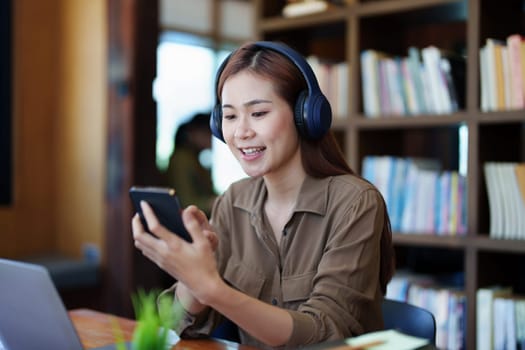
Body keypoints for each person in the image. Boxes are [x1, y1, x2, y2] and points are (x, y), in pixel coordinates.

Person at [132, 41, 395, 349]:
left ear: (305, 115)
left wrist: (213, 288)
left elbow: (327, 334)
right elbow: (176, 326)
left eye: (258, 113)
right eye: (230, 117)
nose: (241, 132)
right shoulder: (234, 201)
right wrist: (194, 279)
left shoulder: (356, 203)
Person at [165, 112, 216, 216]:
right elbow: (185, 202)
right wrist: (213, 203)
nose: (210, 139)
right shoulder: (181, 159)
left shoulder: (195, 159)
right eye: (207, 134)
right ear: (192, 133)